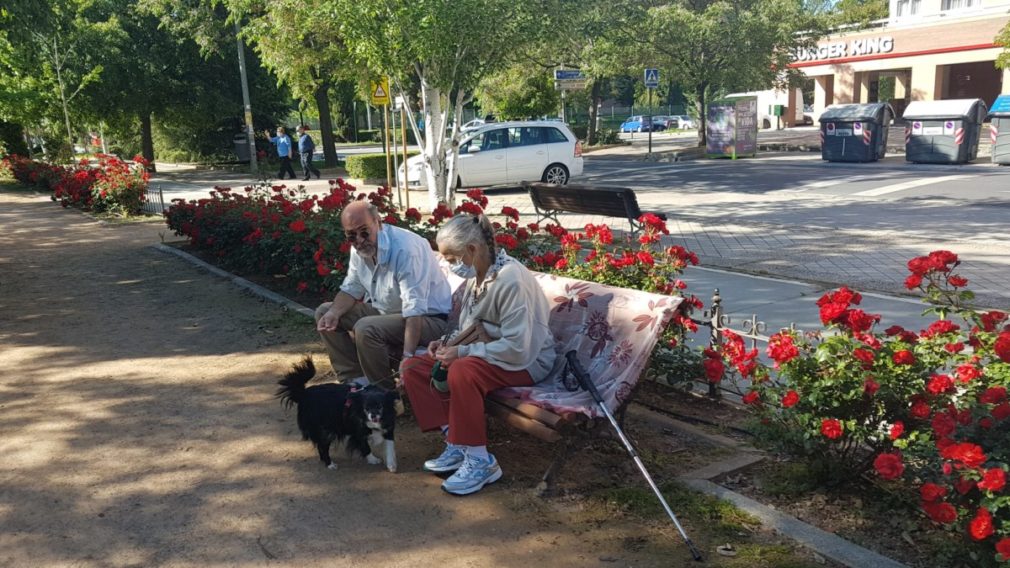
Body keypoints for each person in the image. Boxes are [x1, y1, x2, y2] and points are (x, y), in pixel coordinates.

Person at [400, 214, 556, 495]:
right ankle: (458, 444)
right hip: (490, 355)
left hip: (527, 361)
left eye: (451, 258)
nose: (449, 265)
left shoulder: (511, 280)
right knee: (414, 367)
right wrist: (445, 344)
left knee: (462, 370)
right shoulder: (479, 274)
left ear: (471, 250)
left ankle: (481, 461)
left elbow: (519, 347)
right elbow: (470, 328)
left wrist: (462, 352)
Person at [315, 201, 452, 389]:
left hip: (429, 320)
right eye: (351, 236)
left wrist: (408, 357)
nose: (359, 240)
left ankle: (384, 393)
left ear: (378, 222)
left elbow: (414, 310)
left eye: (364, 232)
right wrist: (333, 313)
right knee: (325, 312)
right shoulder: (358, 249)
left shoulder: (405, 249)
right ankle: (355, 380)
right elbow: (351, 288)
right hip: (389, 314)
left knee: (366, 327)